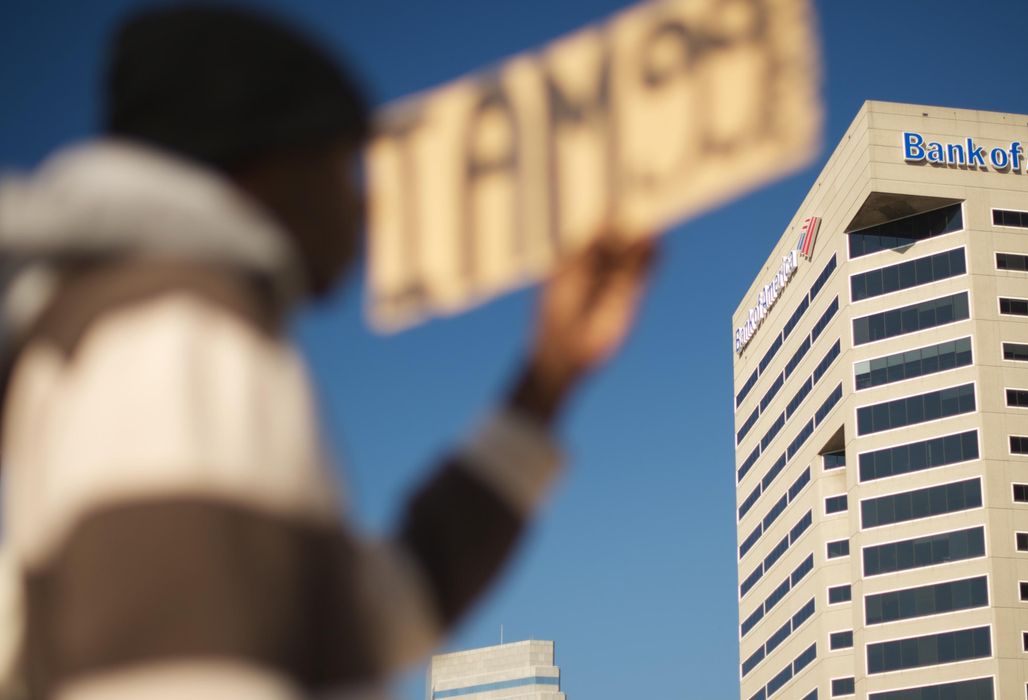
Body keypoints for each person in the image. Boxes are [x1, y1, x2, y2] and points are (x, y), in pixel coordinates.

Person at [0, 6, 655, 699]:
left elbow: (366, 614)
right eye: (344, 166)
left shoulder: (144, 326)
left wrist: (546, 379)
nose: (365, 206)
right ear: (267, 165)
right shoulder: (177, 329)